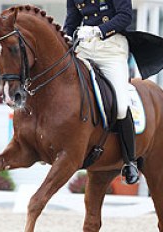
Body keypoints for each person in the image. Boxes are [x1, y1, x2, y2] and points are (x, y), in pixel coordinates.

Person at [63, 0, 139, 184]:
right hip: (85, 47)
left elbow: (125, 16)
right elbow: (72, 20)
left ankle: (130, 161)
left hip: (111, 49)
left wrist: (99, 30)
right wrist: (66, 36)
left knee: (120, 106)